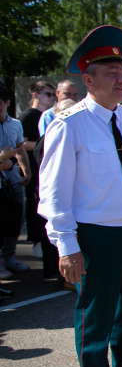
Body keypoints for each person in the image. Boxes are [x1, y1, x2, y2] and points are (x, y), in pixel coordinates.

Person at [38, 25, 122, 367]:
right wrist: (66, 246)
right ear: (87, 79)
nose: (121, 80)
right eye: (110, 73)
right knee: (95, 317)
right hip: (94, 234)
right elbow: (54, 193)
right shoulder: (69, 124)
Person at [20, 80, 55, 264]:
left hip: (45, 165)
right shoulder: (28, 116)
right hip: (34, 167)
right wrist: (49, 145)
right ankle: (36, 243)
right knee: (35, 205)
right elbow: (22, 143)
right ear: (35, 95)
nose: (52, 98)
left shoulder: (49, 115)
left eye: (52, 94)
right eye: (48, 94)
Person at [0, 85, 32, 280]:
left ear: (8, 103)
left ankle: (9, 256)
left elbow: (19, 150)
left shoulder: (15, 124)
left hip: (11, 179)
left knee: (15, 219)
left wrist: (26, 171)